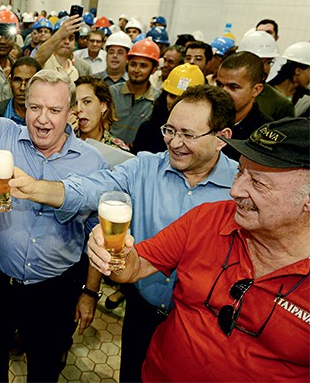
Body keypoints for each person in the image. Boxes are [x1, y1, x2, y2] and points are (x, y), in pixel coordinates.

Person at [5, 84, 238, 382]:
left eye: (188, 135)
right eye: (170, 130)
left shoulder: (241, 188)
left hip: (202, 324)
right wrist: (37, 188)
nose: (174, 143)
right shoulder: (144, 167)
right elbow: (91, 188)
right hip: (142, 312)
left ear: (222, 138)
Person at [0, 11, 110, 382]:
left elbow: (99, 234)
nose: (43, 119)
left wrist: (89, 293)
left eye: (54, 110)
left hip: (55, 290)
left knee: (45, 368)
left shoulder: (92, 161)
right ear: (24, 105)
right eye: (35, 107)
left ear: (71, 115)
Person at [87, 117, 309, 382]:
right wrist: (114, 253)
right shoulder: (207, 218)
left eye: (259, 183)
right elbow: (133, 267)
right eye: (239, 172)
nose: (236, 190)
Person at [133, 63, 204, 154]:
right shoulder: (147, 129)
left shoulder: (203, 139)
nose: (176, 103)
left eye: (182, 98)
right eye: (172, 96)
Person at [217, 51, 272, 161]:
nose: (223, 92)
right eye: (219, 84)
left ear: (256, 90)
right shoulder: (204, 116)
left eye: (233, 87)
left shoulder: (264, 135)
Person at [108, 37, 161, 145]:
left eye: (143, 66)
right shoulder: (112, 93)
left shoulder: (158, 100)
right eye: (133, 64)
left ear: (154, 70)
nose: (136, 70)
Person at [238, 31, 294, 120]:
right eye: (258, 61)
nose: (264, 68)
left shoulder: (281, 105)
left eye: (268, 62)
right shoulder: (226, 91)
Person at [71, 75, 128, 150]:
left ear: (103, 105)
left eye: (87, 101)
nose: (78, 109)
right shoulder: (63, 140)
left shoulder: (117, 149)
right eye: (75, 103)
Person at [0, 56, 42, 125]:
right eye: (17, 80)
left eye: (28, 81)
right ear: (10, 82)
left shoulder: (47, 117)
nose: (22, 88)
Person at [34, 14, 87, 82]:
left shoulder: (74, 72)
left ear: (74, 45)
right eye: (63, 38)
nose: (67, 42)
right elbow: (38, 58)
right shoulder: (46, 61)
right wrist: (60, 33)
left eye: (71, 38)